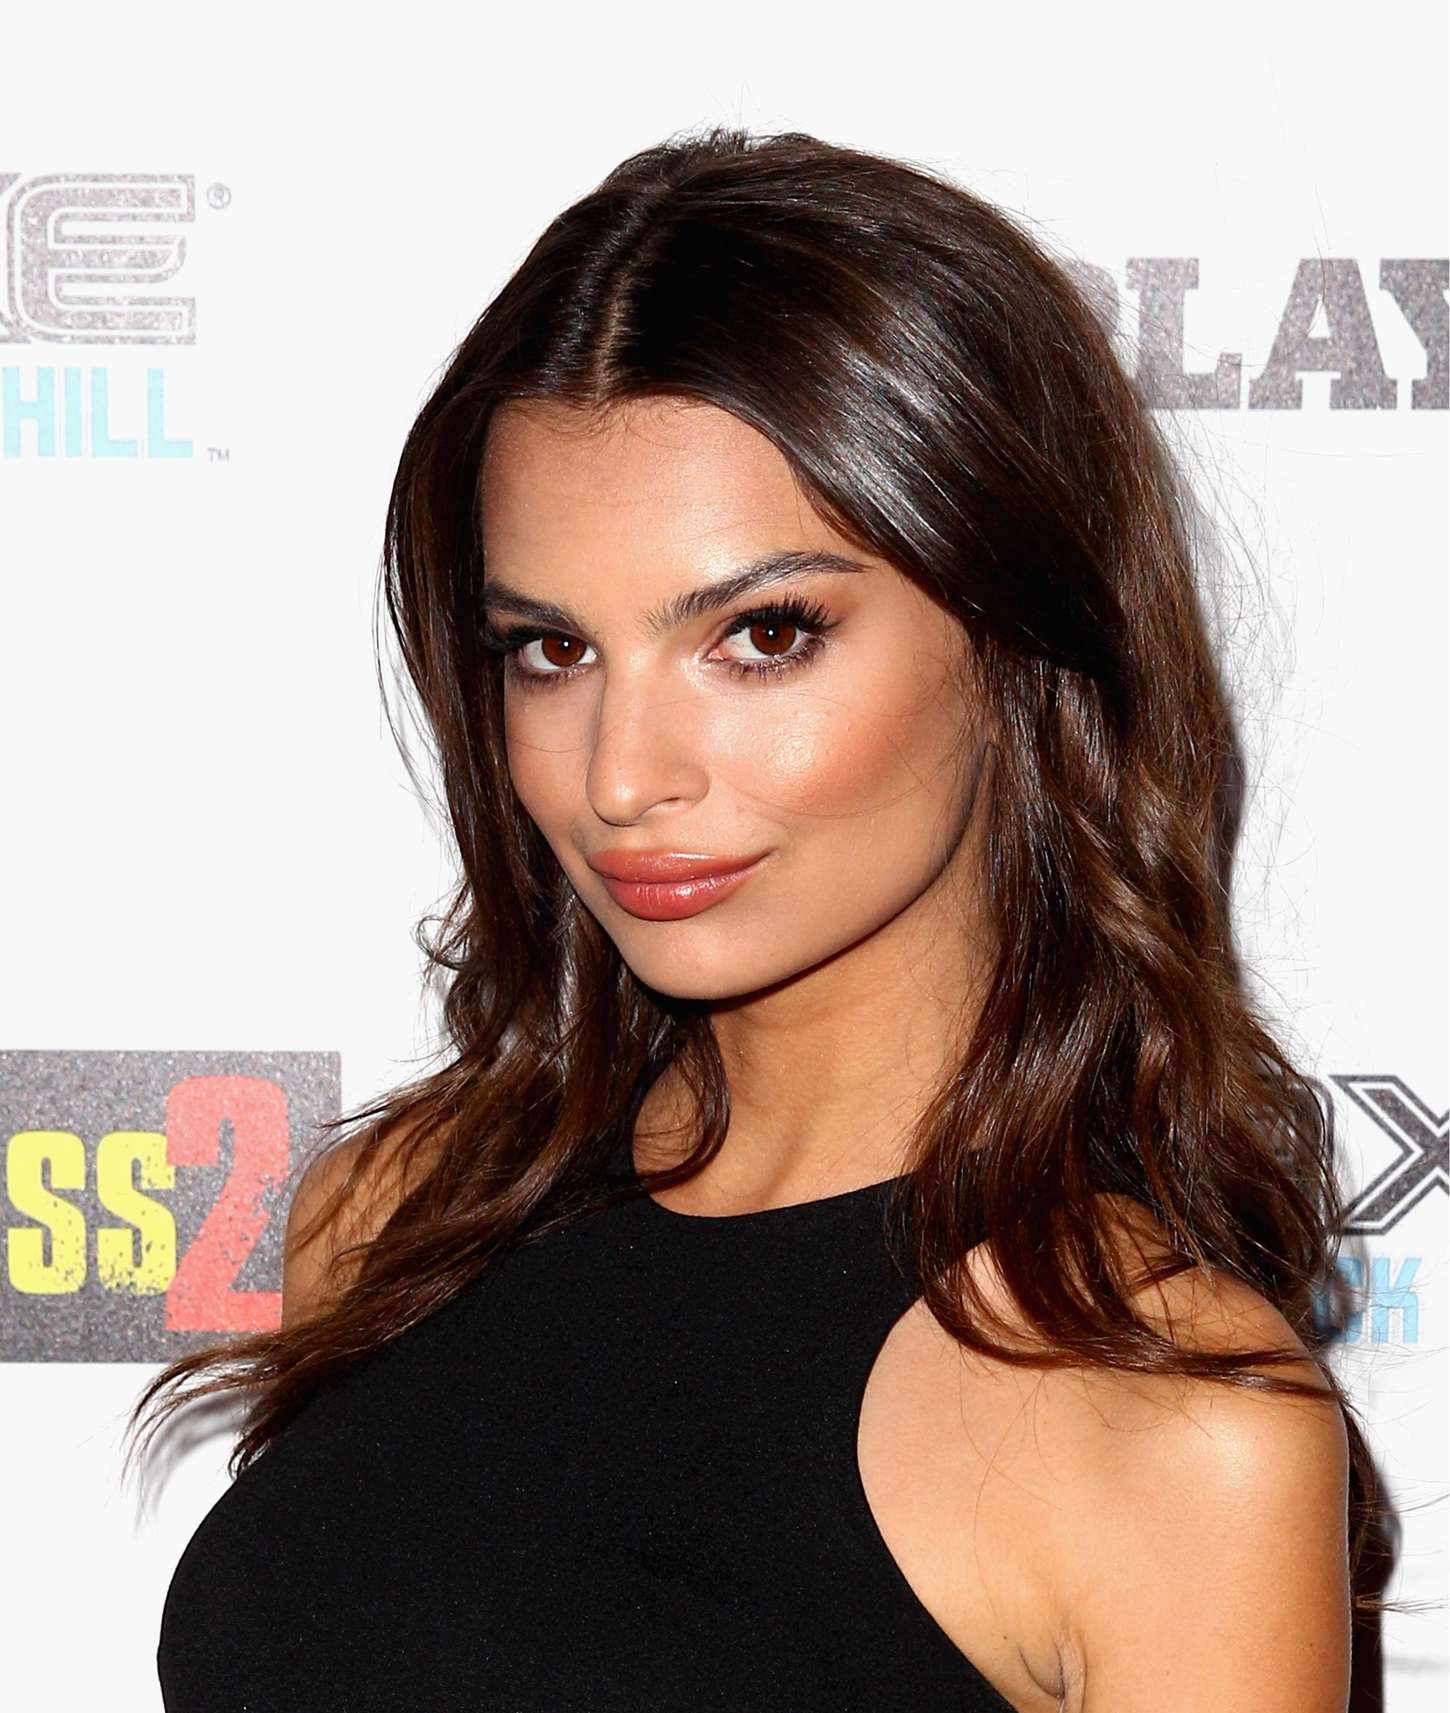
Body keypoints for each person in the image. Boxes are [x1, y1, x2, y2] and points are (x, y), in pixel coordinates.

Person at [135, 124, 1371, 1711]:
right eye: (550, 650)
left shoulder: (1174, 1432)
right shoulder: (393, 1220)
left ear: (1020, 635)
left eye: (762, 634)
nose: (619, 776)